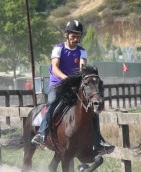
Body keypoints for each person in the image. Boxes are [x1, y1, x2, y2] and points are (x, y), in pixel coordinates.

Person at [31, 20, 114, 154]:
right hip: (57, 84)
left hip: (74, 86)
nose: (75, 38)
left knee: (91, 108)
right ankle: (41, 133)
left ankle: (98, 142)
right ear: (67, 35)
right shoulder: (58, 49)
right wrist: (67, 79)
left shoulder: (82, 51)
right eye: (73, 35)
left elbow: (82, 67)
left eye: (78, 36)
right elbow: (55, 68)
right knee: (52, 103)